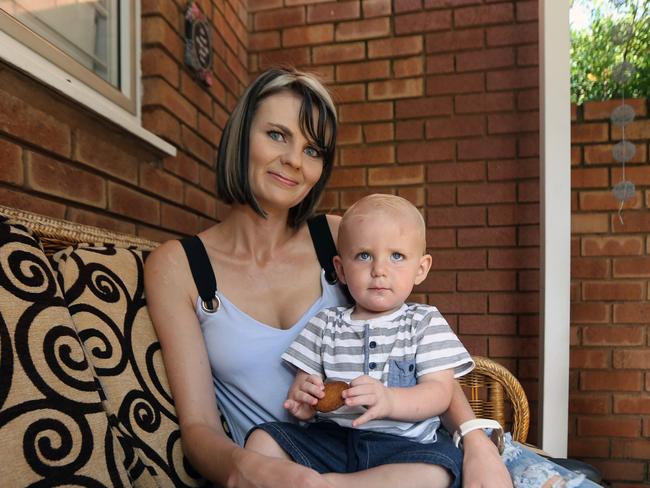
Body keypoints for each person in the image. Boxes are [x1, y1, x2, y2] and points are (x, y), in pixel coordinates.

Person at [144, 67, 512, 488]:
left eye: (313, 150)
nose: (295, 162)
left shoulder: (336, 238)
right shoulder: (179, 266)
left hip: (386, 459)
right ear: (241, 134)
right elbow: (198, 428)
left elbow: (415, 348)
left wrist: (477, 444)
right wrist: (255, 471)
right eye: (278, 135)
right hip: (282, 463)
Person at [245, 194, 474, 488]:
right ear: (341, 269)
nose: (379, 269)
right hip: (333, 442)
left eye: (397, 256)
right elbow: (304, 386)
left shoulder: (423, 322)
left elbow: (439, 394)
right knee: (262, 440)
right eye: (364, 255)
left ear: (421, 269)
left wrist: (391, 400)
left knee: (439, 471)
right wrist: (305, 401)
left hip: (402, 448)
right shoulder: (325, 324)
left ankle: (333, 485)